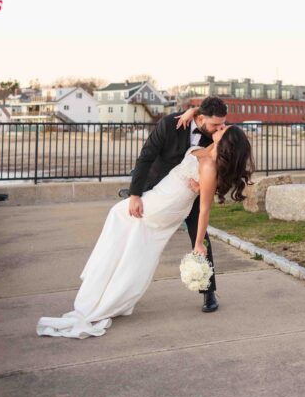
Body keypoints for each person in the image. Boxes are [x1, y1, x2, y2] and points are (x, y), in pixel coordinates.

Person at [36, 121, 253, 339]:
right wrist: (199, 185)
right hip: (161, 194)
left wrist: (198, 244)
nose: (220, 127)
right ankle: (109, 288)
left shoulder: (209, 166)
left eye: (224, 129)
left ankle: (105, 287)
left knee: (119, 216)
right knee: (131, 242)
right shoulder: (206, 151)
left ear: (227, 142)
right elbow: (199, 161)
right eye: (221, 125)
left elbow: (205, 209)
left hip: (166, 204)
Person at [127, 97, 229, 312]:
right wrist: (135, 194)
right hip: (159, 187)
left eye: (222, 124)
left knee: (200, 237)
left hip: (189, 195)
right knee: (140, 235)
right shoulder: (169, 124)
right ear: (200, 118)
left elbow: (218, 170)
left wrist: (203, 186)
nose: (220, 129)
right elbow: (146, 157)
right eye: (215, 125)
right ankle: (127, 286)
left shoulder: (216, 136)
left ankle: (208, 291)